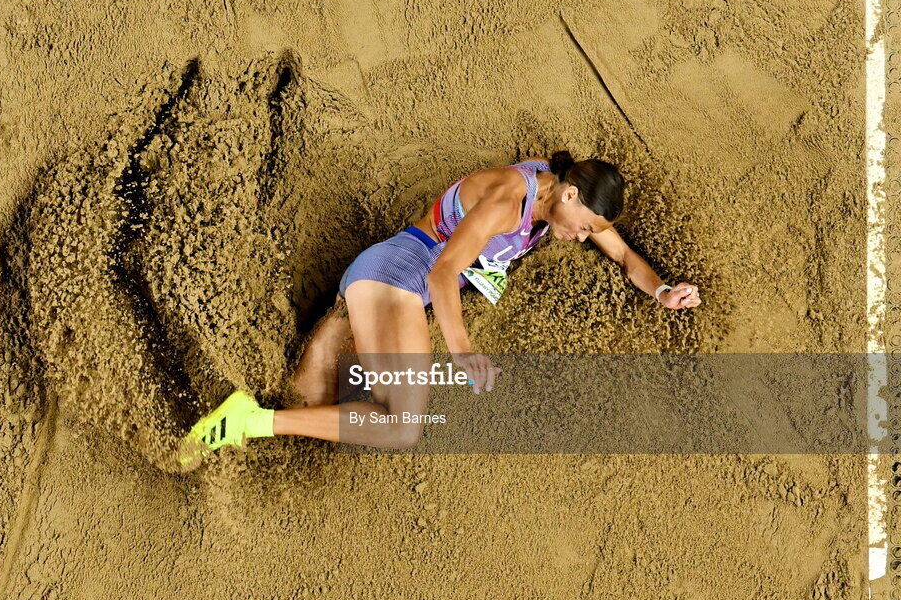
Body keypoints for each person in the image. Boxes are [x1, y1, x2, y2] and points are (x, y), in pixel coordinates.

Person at [178, 151, 701, 469]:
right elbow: (442, 273)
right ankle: (248, 420)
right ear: (568, 194)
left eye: (590, 233)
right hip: (399, 272)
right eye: (584, 226)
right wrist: (464, 352)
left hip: (392, 289)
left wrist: (660, 292)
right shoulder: (505, 199)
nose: (581, 238)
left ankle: (224, 431)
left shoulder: (562, 203)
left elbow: (627, 255)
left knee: (316, 403)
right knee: (402, 425)